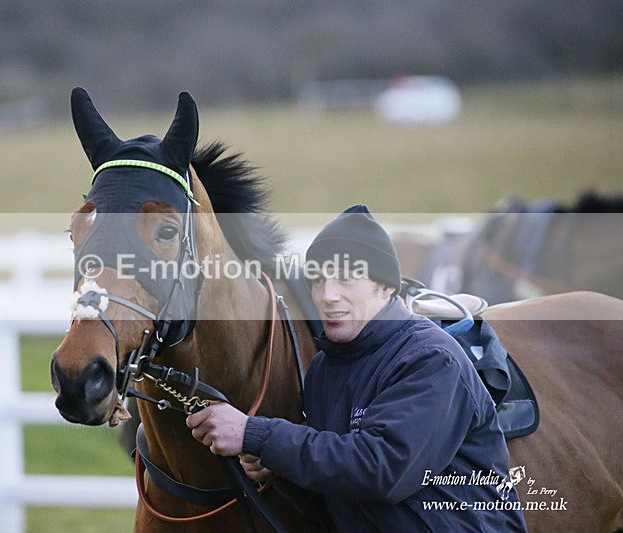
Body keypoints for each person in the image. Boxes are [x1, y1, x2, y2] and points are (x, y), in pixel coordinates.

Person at [186, 205, 527, 531]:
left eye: (346, 278)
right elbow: (338, 499)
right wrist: (276, 467)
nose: (328, 295)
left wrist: (256, 434)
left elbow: (384, 470)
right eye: (317, 280)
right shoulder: (325, 367)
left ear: (387, 286)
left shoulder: (430, 359)